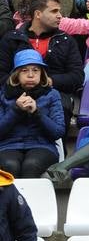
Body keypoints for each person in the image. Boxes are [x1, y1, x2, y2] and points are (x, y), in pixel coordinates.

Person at [0, 49, 64, 178]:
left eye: (35, 70)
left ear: (42, 74)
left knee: (32, 164)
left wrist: (36, 113)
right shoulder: (3, 95)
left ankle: (28, 199)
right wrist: (16, 110)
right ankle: (13, 198)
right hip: (8, 145)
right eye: (25, 70)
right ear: (16, 74)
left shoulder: (52, 94)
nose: (30, 75)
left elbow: (58, 132)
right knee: (10, 164)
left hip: (42, 146)